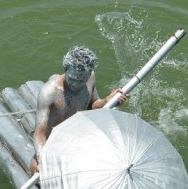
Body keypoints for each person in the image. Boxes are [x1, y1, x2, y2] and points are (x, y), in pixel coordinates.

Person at [29, 45, 127, 174]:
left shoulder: (90, 78)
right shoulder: (49, 92)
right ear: (65, 70)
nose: (75, 84)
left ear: (89, 74)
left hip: (77, 136)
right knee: (36, 169)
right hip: (52, 143)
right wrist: (43, 160)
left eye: (81, 80)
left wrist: (106, 101)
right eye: (71, 78)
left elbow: (91, 106)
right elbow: (39, 134)